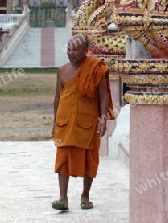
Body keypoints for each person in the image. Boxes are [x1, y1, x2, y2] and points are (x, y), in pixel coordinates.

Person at [52, 34, 114, 211]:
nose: (70, 53)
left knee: (89, 159)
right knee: (62, 158)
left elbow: (103, 95)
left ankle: (85, 195)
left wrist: (103, 119)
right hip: (65, 122)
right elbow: (58, 96)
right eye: (69, 49)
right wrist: (55, 121)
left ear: (85, 51)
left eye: (75, 50)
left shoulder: (95, 69)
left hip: (87, 123)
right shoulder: (62, 71)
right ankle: (63, 197)